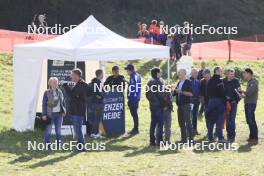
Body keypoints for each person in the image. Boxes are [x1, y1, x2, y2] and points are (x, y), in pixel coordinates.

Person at [63, 69, 89, 149]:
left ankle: (81, 146)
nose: (71, 76)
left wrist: (65, 86)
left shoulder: (82, 84)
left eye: (72, 75)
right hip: (76, 110)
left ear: (76, 75)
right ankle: (79, 144)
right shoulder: (79, 84)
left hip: (78, 110)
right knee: (77, 128)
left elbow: (72, 95)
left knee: (77, 129)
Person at [42, 77, 66, 149]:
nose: (56, 84)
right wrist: (44, 114)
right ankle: (47, 146)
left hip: (59, 114)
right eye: (54, 82)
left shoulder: (60, 92)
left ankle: (58, 146)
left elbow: (63, 102)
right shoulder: (46, 92)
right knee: (48, 131)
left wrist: (64, 111)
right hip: (50, 115)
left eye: (56, 82)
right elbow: (44, 104)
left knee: (58, 131)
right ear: (50, 83)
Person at [146, 67, 165, 145]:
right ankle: (160, 141)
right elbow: (161, 94)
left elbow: (147, 94)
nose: (161, 73)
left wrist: (152, 101)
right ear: (157, 73)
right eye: (160, 72)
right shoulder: (159, 82)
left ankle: (152, 140)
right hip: (159, 105)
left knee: (153, 123)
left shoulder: (149, 82)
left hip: (152, 105)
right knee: (160, 123)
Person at [206, 66, 226, 142]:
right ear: (216, 71)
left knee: (210, 120)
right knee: (219, 120)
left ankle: (210, 138)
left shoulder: (210, 81)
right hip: (219, 102)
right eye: (220, 71)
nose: (221, 72)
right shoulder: (219, 81)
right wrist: (225, 100)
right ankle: (220, 138)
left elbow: (207, 93)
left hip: (210, 102)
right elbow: (222, 93)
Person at [174, 69, 193, 143]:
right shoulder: (179, 82)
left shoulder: (188, 82)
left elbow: (191, 94)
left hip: (186, 105)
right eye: (178, 73)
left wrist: (181, 92)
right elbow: (176, 92)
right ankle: (184, 139)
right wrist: (172, 90)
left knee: (188, 122)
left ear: (184, 74)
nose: (179, 75)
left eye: (180, 73)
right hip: (180, 105)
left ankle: (191, 140)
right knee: (181, 122)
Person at [240, 68, 259, 145]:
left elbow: (250, 92)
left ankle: (254, 138)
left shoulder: (253, 82)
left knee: (251, 120)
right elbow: (248, 94)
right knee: (249, 120)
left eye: (244, 73)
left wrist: (242, 91)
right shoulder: (250, 82)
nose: (243, 75)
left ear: (249, 74)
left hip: (251, 104)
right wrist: (242, 95)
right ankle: (252, 136)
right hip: (248, 103)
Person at [223, 68, 241, 142]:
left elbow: (239, 91)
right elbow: (220, 91)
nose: (232, 76)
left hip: (233, 103)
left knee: (232, 120)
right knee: (227, 120)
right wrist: (224, 97)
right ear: (227, 74)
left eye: (233, 74)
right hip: (225, 104)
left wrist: (237, 100)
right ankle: (228, 136)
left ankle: (232, 136)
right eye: (230, 74)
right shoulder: (223, 81)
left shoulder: (236, 81)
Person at [125, 64, 141, 135]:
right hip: (136, 98)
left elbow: (133, 88)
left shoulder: (133, 77)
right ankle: (135, 128)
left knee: (134, 114)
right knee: (135, 114)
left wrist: (129, 98)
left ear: (130, 70)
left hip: (133, 98)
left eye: (127, 70)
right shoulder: (137, 75)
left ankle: (136, 129)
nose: (127, 72)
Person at [90, 69, 104, 139]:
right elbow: (98, 94)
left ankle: (93, 133)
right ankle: (96, 133)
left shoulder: (93, 82)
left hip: (94, 103)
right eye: (102, 74)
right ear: (100, 74)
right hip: (98, 103)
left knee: (95, 119)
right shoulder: (98, 82)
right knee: (97, 119)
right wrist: (100, 96)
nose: (103, 75)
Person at [190, 68, 200, 135]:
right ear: (191, 73)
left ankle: (195, 130)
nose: (196, 74)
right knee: (190, 116)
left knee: (195, 116)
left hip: (197, 101)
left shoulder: (198, 81)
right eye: (194, 73)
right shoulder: (188, 81)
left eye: (197, 73)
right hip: (190, 101)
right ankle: (189, 131)